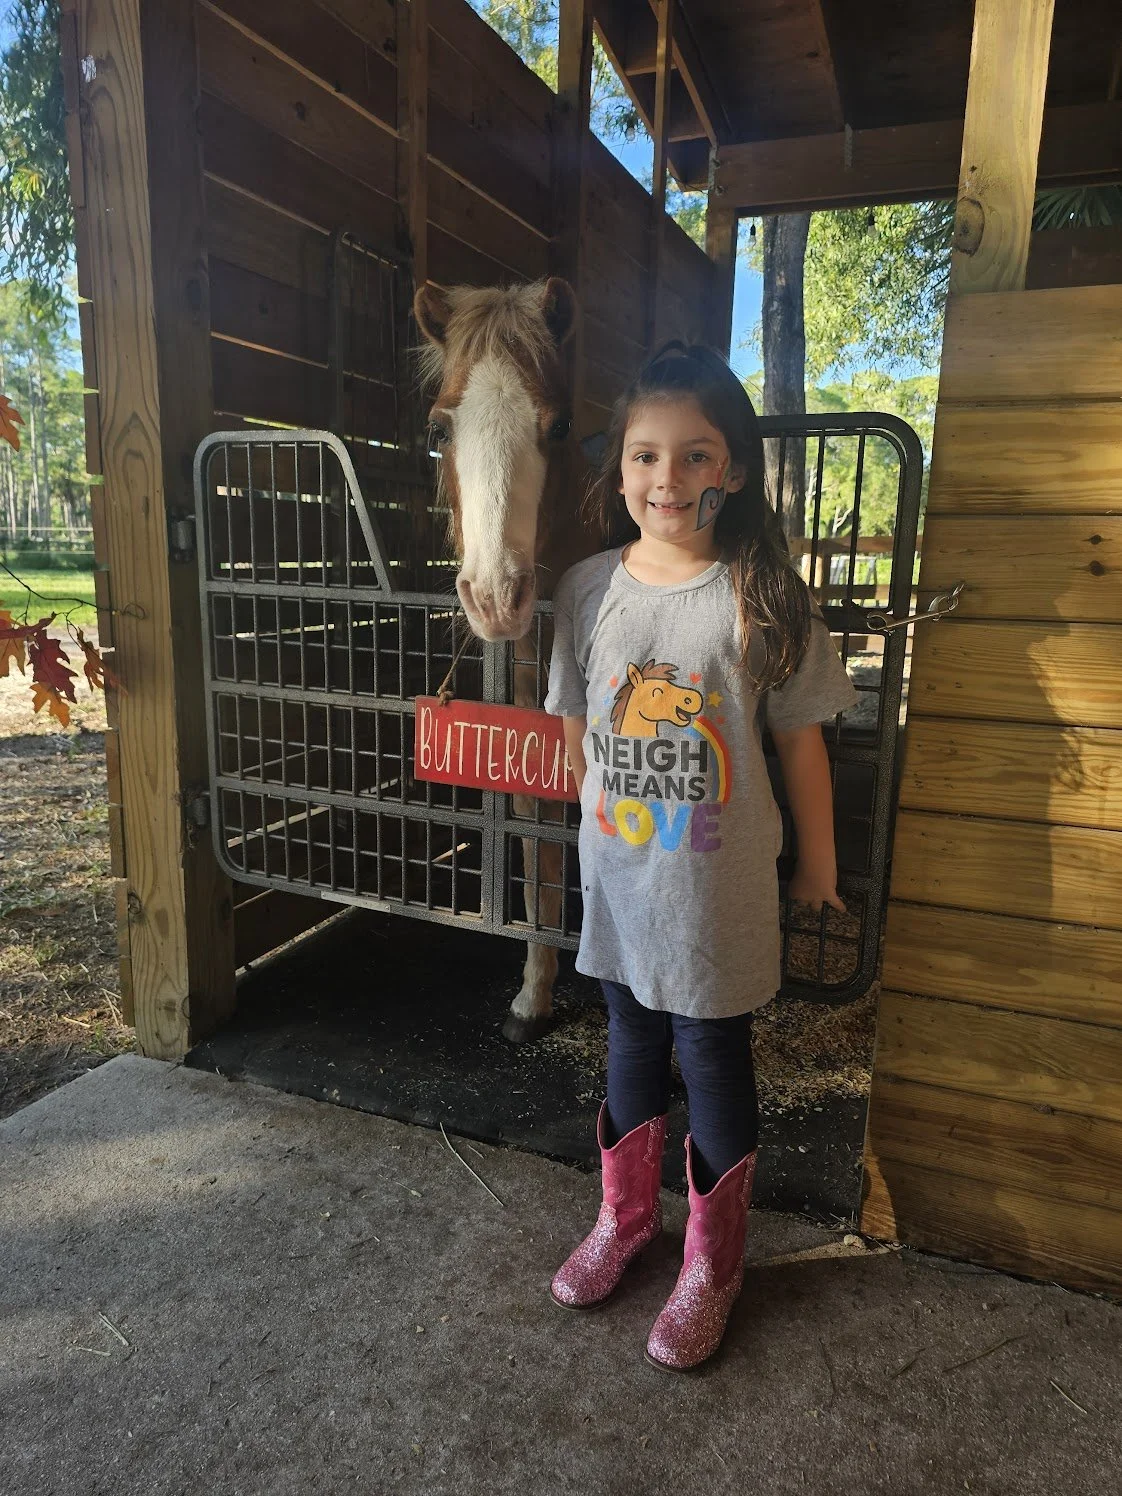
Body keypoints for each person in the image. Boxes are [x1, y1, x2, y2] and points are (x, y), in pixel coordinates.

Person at [543, 342, 858, 1371]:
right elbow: (575, 726)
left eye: (693, 455)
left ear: (733, 468)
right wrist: (592, 821)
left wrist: (818, 861)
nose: (666, 479)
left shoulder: (762, 592)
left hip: (716, 890)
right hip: (626, 885)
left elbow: (802, 741)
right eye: (644, 455)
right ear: (618, 467)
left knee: (713, 1056)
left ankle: (713, 1265)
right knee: (630, 1040)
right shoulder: (587, 588)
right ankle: (627, 1220)